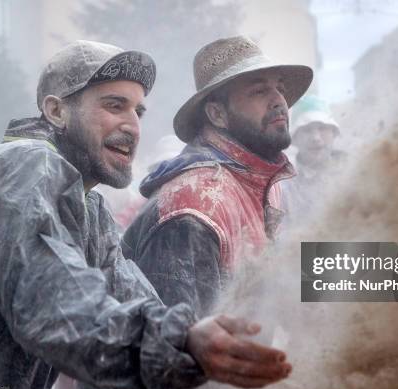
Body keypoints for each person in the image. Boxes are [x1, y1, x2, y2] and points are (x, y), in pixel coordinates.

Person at [0, 40, 292, 389]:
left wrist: (191, 341)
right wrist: (183, 343)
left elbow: (136, 302)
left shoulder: (89, 206)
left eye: (138, 111)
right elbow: (55, 306)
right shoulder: (21, 166)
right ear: (57, 111)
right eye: (114, 105)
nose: (132, 125)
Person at [122, 36, 313, 316]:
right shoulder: (193, 203)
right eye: (259, 91)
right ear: (217, 114)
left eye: (280, 89)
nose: (278, 101)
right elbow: (183, 344)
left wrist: (395, 267)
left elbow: (285, 283)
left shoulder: (263, 184)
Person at [282, 94, 345, 220]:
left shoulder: (357, 172)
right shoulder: (285, 190)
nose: (316, 138)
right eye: (306, 130)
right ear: (294, 139)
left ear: (334, 133)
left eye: (322, 128)